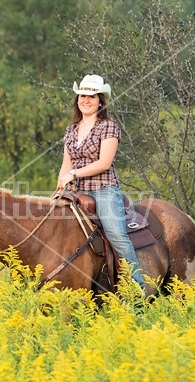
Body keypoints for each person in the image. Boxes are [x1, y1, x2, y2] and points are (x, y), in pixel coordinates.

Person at [56, 74, 146, 294]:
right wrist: (59, 186)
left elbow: (104, 163)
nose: (85, 100)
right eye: (82, 95)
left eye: (91, 96)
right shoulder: (71, 129)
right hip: (76, 192)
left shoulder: (108, 126)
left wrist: (74, 174)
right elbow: (66, 164)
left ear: (100, 101)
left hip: (104, 190)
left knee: (116, 234)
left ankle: (137, 286)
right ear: (77, 99)